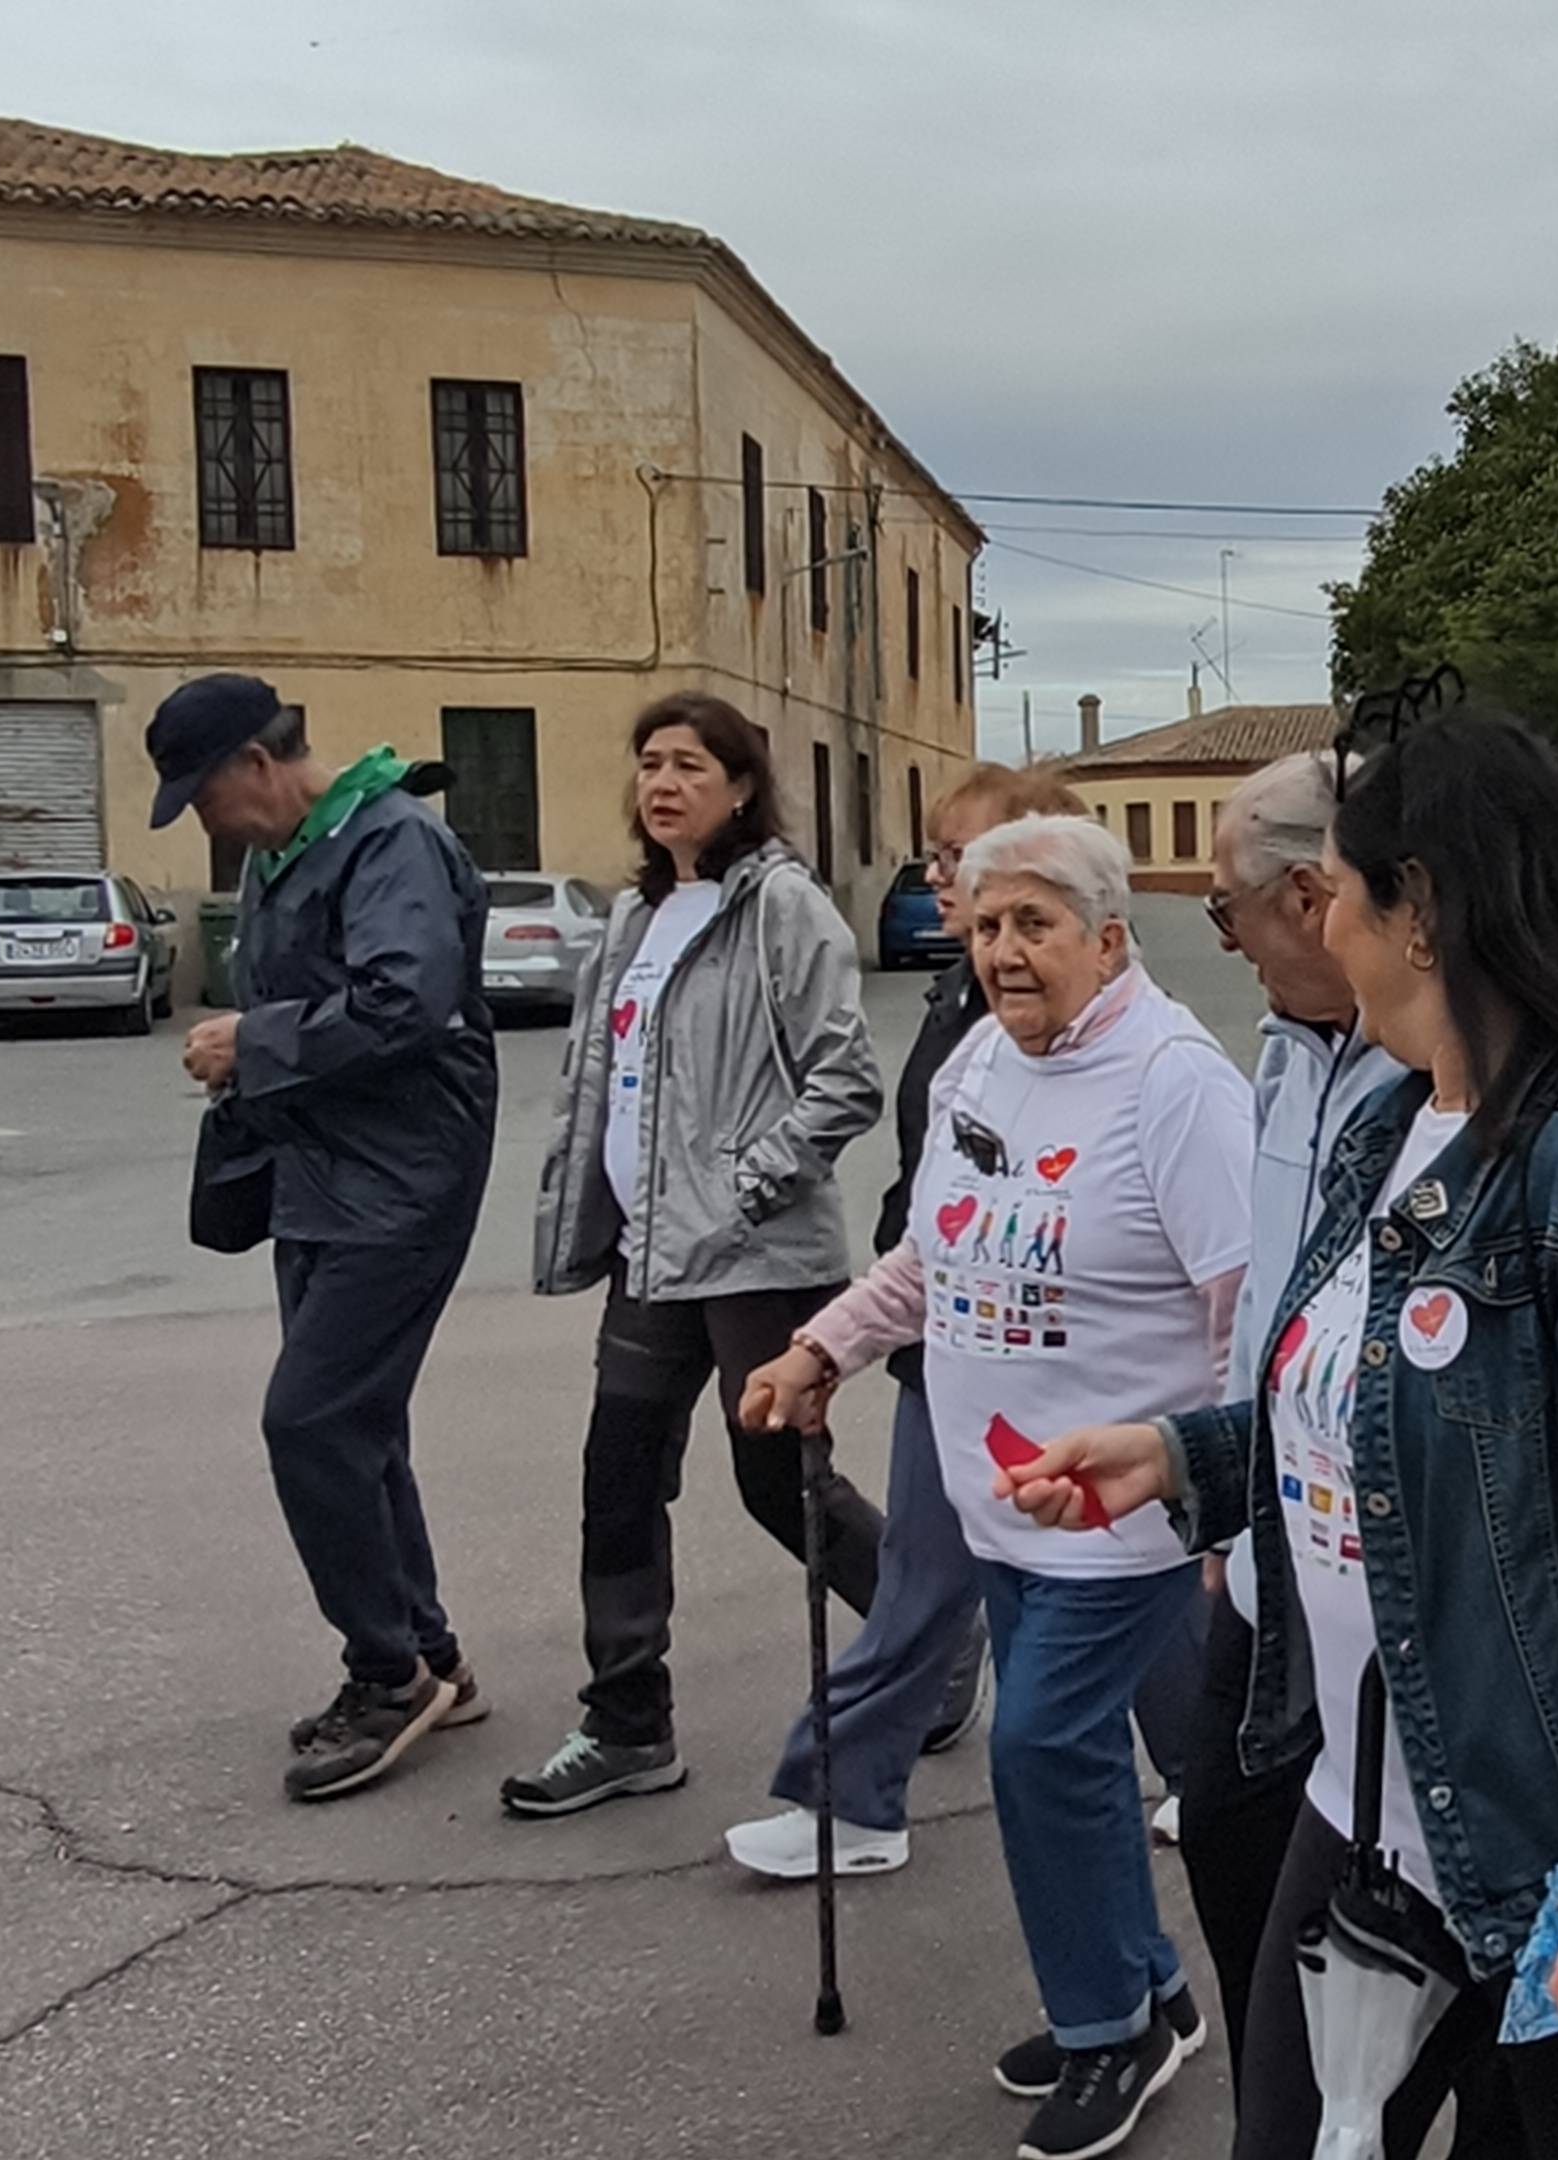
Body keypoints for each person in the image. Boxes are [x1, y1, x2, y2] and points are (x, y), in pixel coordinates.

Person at [999, 697, 1558, 2160]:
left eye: (1346, 896)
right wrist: (1193, 1459)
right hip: (1376, 1800)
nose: (1325, 926)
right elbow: (1387, 1419)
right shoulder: (1391, 1128)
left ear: (1417, 911)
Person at [747, 814, 1251, 2160]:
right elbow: (932, 1259)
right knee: (1069, 1757)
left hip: (1125, 1513)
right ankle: (1145, 1991)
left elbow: (1239, 1312)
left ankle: (1108, 2033)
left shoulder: (1176, 1083)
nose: (1005, 953)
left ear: (1109, 937)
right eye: (984, 926)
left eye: (1034, 925)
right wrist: (822, 1347)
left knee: (1039, 1750)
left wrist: (1217, 1497)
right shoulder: (982, 1054)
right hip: (1001, 1502)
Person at [506, 694, 889, 1818]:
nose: (662, 783)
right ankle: (627, 1725)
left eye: (688, 764)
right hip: (650, 1254)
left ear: (738, 786)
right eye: (649, 764)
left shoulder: (782, 910)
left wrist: (742, 1187)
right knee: (617, 1479)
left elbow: (846, 1081)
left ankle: (929, 1634)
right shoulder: (636, 918)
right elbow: (607, 1083)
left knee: (777, 1485)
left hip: (756, 1256)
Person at [719, 762, 1080, 1880]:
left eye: (956, 856)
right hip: (951, 1339)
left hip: (1058, 1361)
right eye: (937, 858)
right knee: (922, 1583)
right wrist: (840, 1335)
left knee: (1131, 1606)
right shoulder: (962, 1005)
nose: (939, 877)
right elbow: (936, 1208)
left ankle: (1215, 1789)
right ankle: (854, 1802)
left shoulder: (1093, 1031)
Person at [155, 672, 502, 1805]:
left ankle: (386, 1673)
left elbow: (406, 1001)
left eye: (202, 798)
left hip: (402, 1183)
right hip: (321, 1177)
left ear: (258, 766)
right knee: (357, 1424)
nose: (203, 823)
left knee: (307, 1419)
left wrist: (254, 1042)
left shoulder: (388, 840)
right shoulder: (288, 849)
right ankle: (429, 1655)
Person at [1174, 752, 1416, 2106]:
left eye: (1227, 911)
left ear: (1318, 895)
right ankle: (1307, 2094)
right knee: (1224, 1838)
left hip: (1382, 1602)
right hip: (1269, 1556)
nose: (1225, 940)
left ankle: (1329, 2103)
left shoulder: (1442, 1085)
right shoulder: (1282, 1057)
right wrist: (1219, 1488)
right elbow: (1259, 1300)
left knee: (1365, 1934)